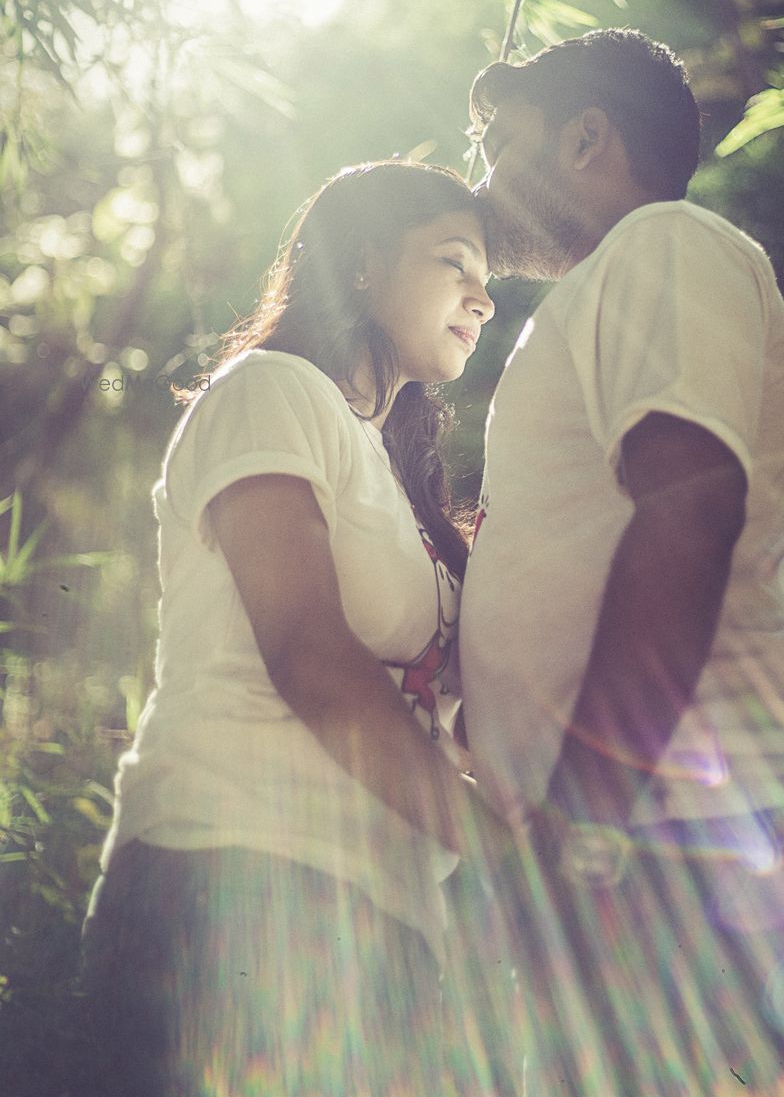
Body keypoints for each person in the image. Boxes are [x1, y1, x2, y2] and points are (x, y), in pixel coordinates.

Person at [457, 30, 784, 1093]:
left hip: (687, 831)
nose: (480, 178)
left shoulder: (661, 244)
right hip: (661, 831)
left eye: (496, 142)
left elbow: (688, 512)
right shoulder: (611, 285)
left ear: (587, 136)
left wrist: (585, 818)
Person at [81, 160, 512, 1097]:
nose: (482, 295)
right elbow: (312, 661)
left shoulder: (402, 487)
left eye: (487, 277)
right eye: (453, 261)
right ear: (361, 264)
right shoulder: (270, 392)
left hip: (384, 921)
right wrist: (510, 864)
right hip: (230, 886)